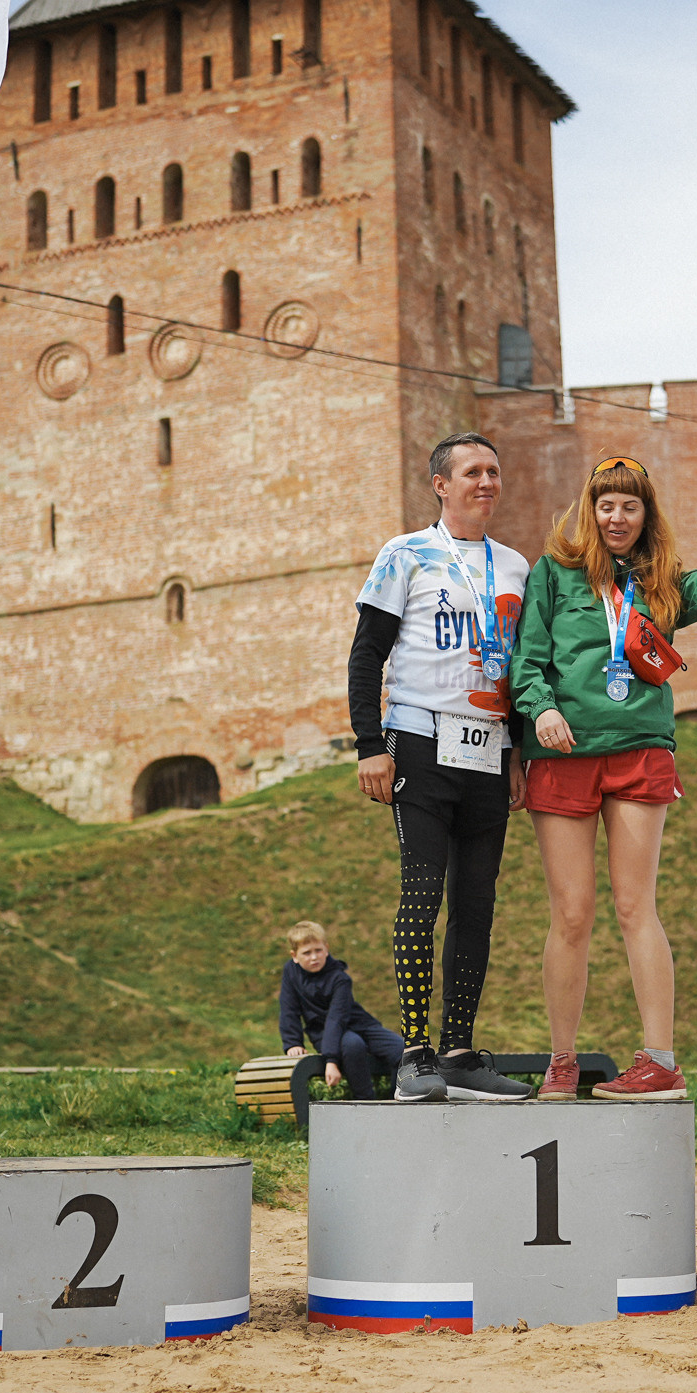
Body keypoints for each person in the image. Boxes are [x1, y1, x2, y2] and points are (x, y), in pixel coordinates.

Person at [512, 454, 697, 1101]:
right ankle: (563, 1061)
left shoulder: (659, 583)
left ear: (645, 514)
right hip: (563, 752)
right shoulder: (555, 575)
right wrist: (541, 707)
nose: (617, 517)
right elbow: (527, 658)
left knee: (636, 907)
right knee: (570, 914)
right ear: (589, 511)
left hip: (637, 751)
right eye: (606, 504)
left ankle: (660, 1061)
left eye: (630, 506)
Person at [347, 432, 535, 1103]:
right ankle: (415, 1054)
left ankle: (458, 1050)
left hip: (488, 752)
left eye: (494, 470)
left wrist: (516, 751)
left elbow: (519, 667)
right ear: (440, 483)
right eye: (473, 472)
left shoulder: (516, 567)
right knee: (422, 897)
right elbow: (367, 653)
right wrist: (370, 743)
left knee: (476, 907)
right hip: (420, 744)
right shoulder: (405, 554)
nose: (487, 481)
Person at [278, 922, 405, 1101]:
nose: (314, 957)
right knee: (352, 1045)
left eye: (318, 950)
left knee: (402, 1051)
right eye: (307, 953)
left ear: (327, 948)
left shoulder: (340, 978)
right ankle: (366, 1101)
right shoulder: (291, 973)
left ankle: (395, 1101)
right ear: (294, 956)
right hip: (323, 1031)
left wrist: (331, 1060)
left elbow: (337, 1017)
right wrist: (293, 1043)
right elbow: (288, 1009)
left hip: (357, 1023)